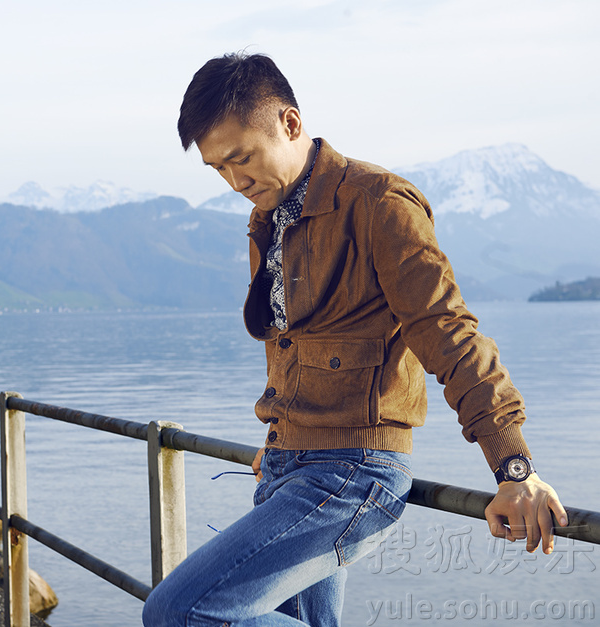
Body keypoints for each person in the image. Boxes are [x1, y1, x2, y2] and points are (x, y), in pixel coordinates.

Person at [141, 52, 567, 627]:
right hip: (288, 466)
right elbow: (297, 343)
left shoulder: (378, 204)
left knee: (180, 612)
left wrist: (513, 468)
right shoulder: (270, 217)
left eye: (241, 159)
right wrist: (285, 429)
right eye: (219, 169)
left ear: (290, 124)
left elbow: (450, 334)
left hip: (352, 474)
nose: (235, 182)